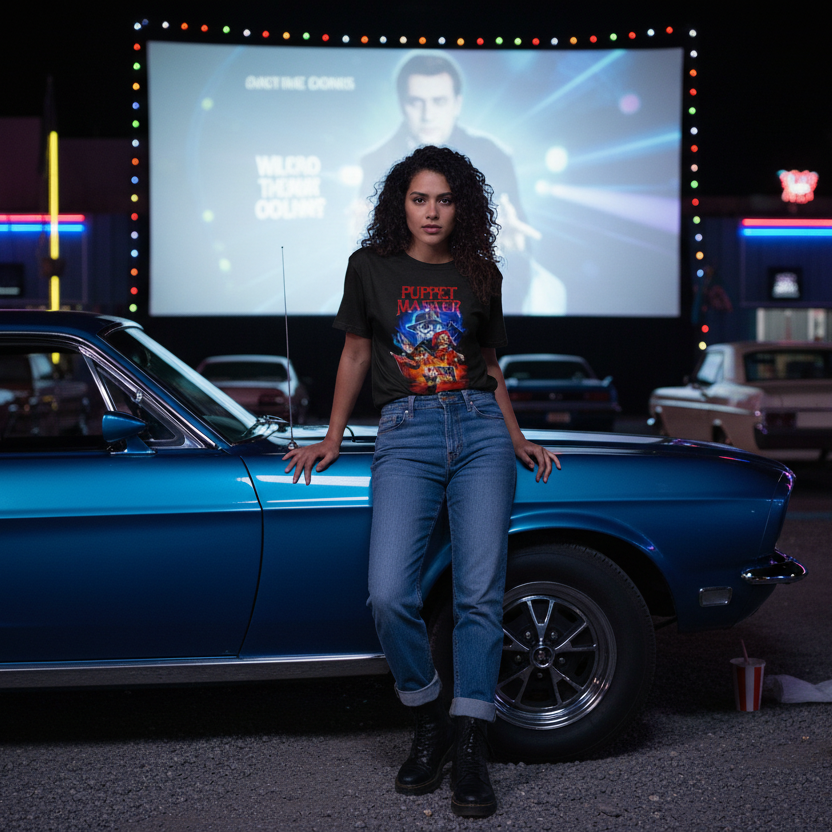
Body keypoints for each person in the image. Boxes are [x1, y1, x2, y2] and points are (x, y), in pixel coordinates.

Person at [284, 145, 560, 819]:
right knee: (388, 594)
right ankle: (429, 710)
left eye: (443, 199)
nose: (431, 211)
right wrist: (331, 433)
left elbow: (488, 363)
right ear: (399, 204)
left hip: (480, 434)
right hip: (404, 433)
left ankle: (470, 744)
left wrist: (517, 435)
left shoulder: (481, 273)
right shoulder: (370, 267)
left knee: (478, 596)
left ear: (460, 205)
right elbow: (354, 352)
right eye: (418, 198)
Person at [359, 53, 544, 313]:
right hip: (402, 289)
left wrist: (514, 247)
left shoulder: (493, 156)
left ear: (457, 104)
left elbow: (518, 244)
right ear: (402, 104)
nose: (427, 115)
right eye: (416, 102)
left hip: (474, 285)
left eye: (439, 101)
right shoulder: (374, 161)